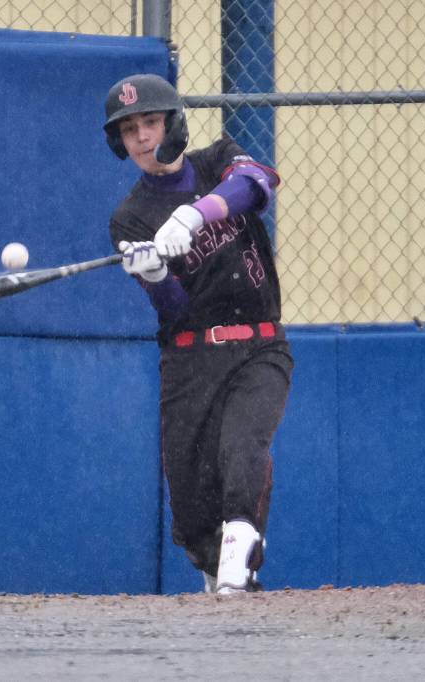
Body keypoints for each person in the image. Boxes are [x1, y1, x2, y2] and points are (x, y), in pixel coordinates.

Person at [102, 73, 294, 595]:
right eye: (128, 130)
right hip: (190, 362)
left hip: (258, 346)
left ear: (174, 123)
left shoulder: (216, 160)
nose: (141, 137)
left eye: (150, 122)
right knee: (189, 516)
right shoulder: (130, 218)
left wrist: (195, 213)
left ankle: (238, 560)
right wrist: (155, 275)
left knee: (242, 445)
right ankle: (223, 574)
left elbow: (257, 184)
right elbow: (174, 311)